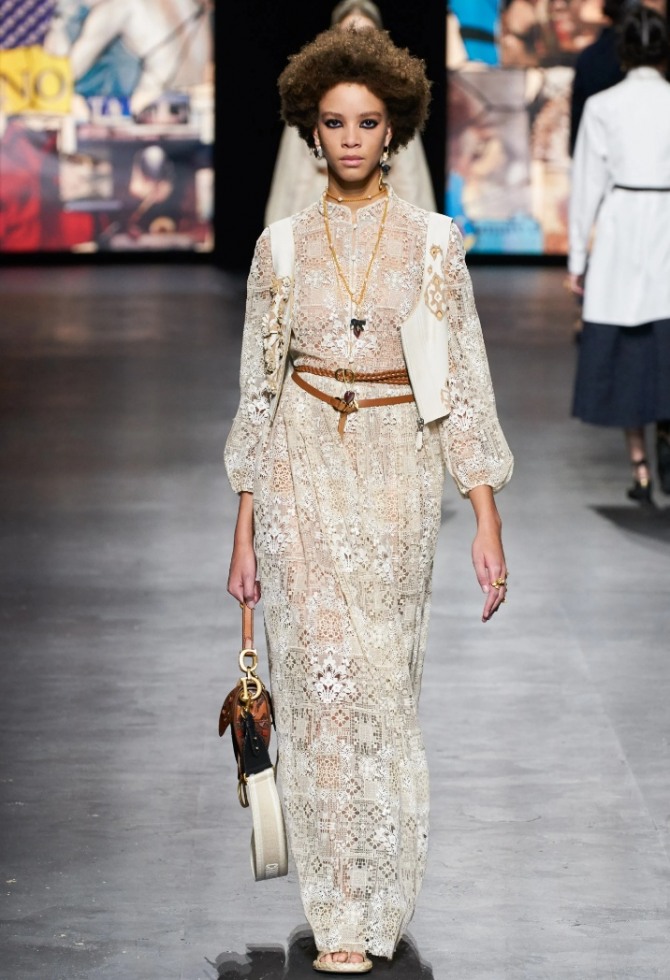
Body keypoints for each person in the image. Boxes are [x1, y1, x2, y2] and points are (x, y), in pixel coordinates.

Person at [225, 26, 513, 974]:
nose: (350, 138)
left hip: (397, 478)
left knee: (381, 694)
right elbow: (258, 393)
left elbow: (462, 384)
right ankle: (337, 911)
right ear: (311, 130)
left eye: (368, 122)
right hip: (299, 468)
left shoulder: (435, 245)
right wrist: (244, 531)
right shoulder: (279, 249)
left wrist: (484, 515)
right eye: (334, 121)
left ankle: (378, 893)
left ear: (394, 132)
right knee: (320, 692)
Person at [568, 5, 670, 503]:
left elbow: (586, 186)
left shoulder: (603, 106)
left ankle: (641, 468)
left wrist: (576, 262)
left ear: (624, 51)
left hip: (621, 228)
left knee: (629, 351)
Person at [263, 0, 436, 226]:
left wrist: (421, 238)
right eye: (349, 34)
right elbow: (287, 186)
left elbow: (412, 184)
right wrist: (279, 239)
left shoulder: (393, 105)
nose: (357, 43)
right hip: (318, 216)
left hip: (380, 219)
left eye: (366, 36)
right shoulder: (311, 103)